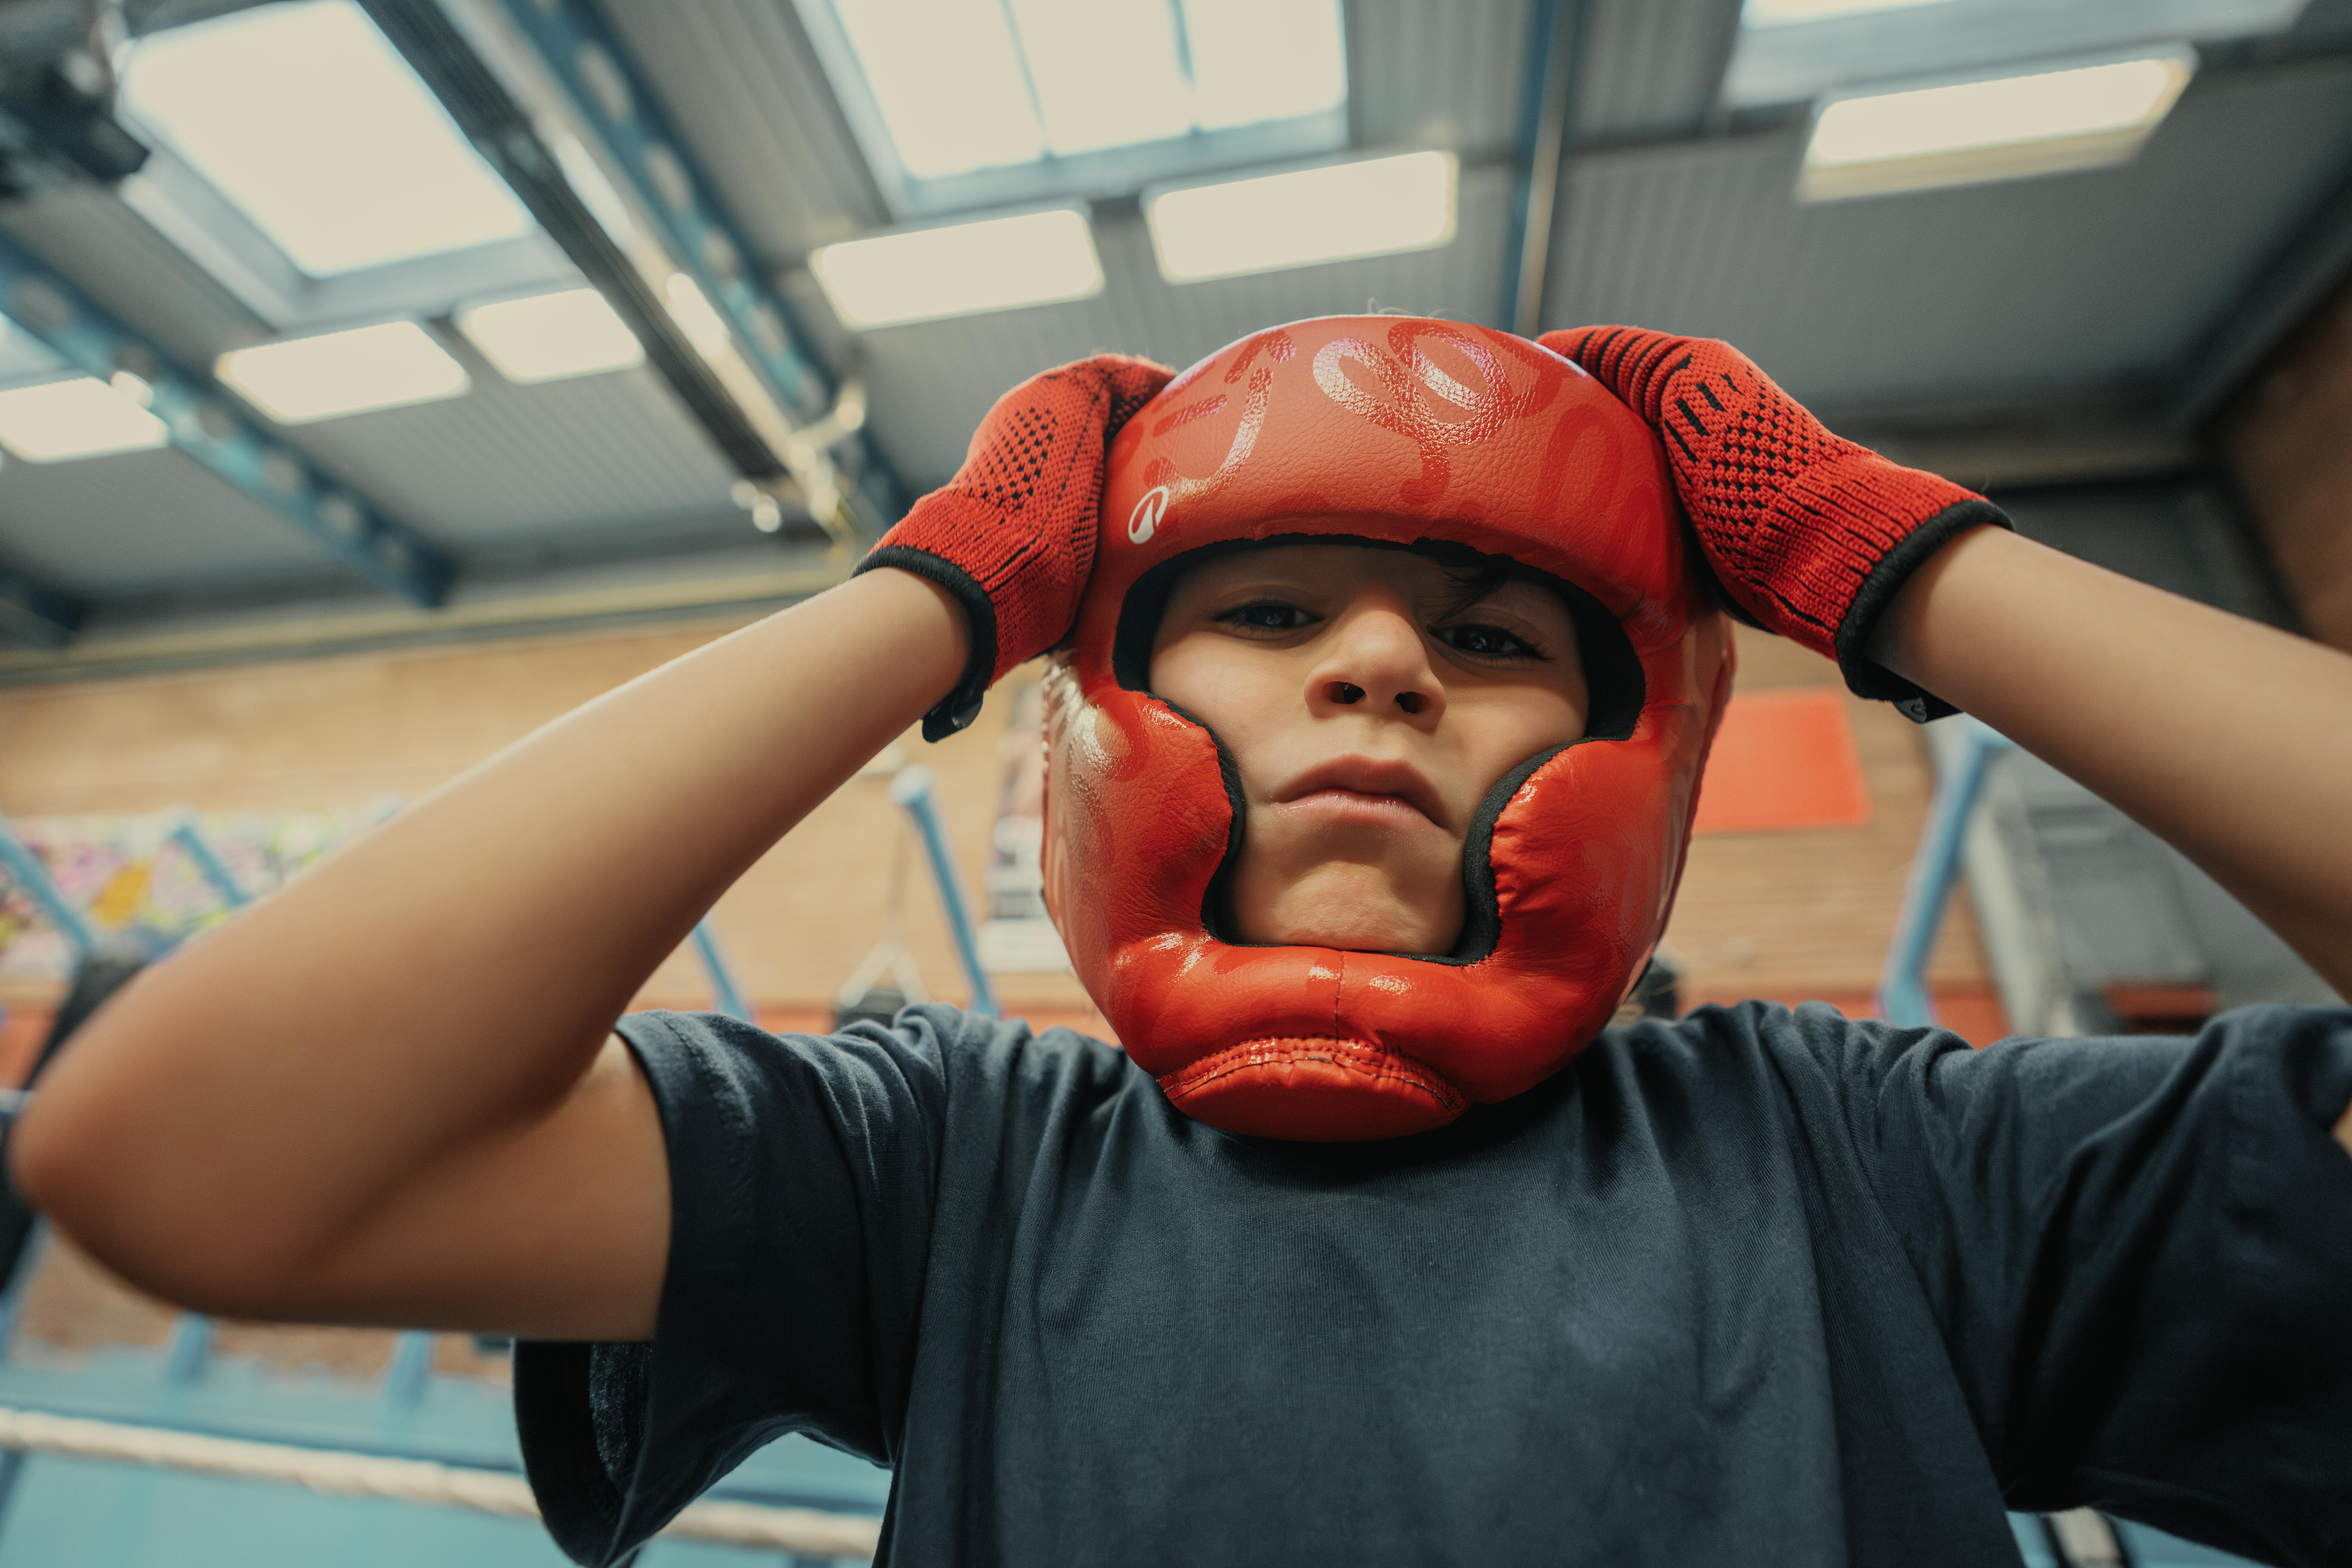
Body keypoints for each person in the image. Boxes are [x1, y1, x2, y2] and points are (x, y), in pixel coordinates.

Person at [11, 318, 2351, 1568]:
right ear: (1095, 710)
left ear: (1648, 733)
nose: (1377, 669)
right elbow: (182, 1157)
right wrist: (922, 604)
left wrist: (1885, 559)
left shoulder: (1887, 1173)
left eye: (1500, 634)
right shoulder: (948, 1167)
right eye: (1257, 608)